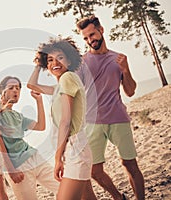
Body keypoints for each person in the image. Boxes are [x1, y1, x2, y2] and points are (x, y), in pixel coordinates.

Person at [76, 15, 145, 200]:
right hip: (92, 123)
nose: (91, 40)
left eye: (92, 34)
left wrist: (125, 70)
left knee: (130, 165)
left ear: (101, 30)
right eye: (86, 38)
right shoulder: (81, 63)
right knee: (94, 170)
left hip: (118, 119)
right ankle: (118, 197)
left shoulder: (119, 59)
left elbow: (130, 91)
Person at [27, 36, 96, 200]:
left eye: (60, 57)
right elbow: (31, 85)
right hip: (74, 148)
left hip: (75, 148)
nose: (55, 63)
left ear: (69, 61)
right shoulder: (59, 86)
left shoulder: (68, 78)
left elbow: (65, 122)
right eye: (49, 60)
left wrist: (57, 160)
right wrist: (39, 63)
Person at [0, 76, 59, 200]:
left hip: (34, 157)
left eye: (18, 88)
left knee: (63, 188)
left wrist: (38, 100)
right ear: (2, 92)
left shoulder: (18, 116)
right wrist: (11, 170)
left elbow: (40, 126)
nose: (16, 91)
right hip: (17, 166)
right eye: (11, 88)